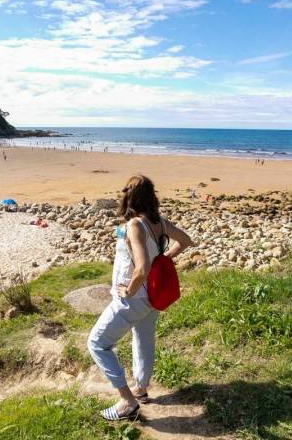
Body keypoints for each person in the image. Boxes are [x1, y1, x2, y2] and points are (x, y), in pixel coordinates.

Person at [87, 175, 193, 421]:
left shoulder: (136, 225)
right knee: (143, 339)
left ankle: (127, 401)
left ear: (129, 197)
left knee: (97, 343)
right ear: (152, 197)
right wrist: (165, 258)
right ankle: (141, 388)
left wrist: (130, 290)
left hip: (136, 298)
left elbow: (142, 267)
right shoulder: (159, 222)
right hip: (153, 298)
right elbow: (186, 241)